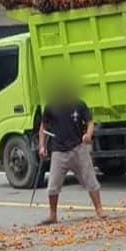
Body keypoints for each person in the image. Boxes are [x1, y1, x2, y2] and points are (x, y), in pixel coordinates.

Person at [39, 89, 103, 225]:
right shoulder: (50, 107)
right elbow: (43, 128)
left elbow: (90, 122)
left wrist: (88, 135)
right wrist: (42, 146)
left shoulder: (79, 105)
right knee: (53, 186)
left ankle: (99, 210)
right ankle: (52, 215)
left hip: (78, 148)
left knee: (90, 179)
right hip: (59, 151)